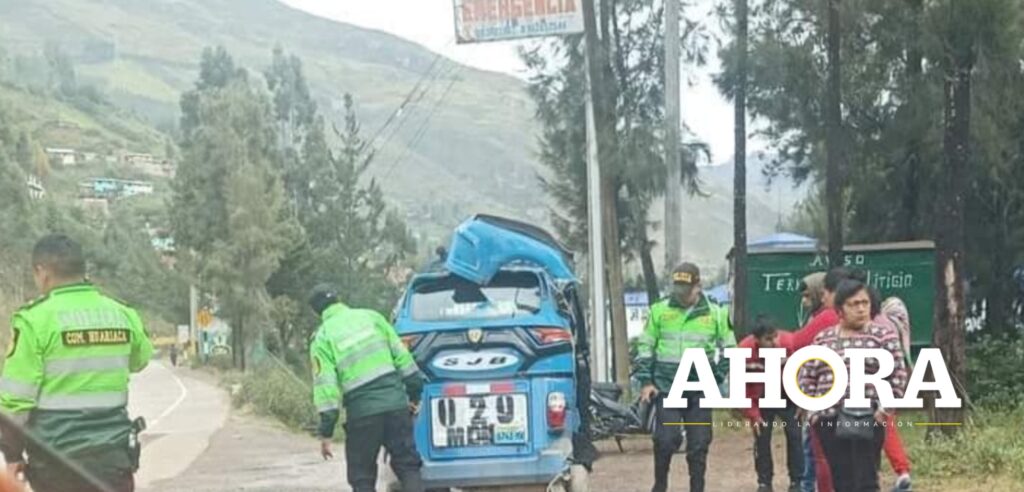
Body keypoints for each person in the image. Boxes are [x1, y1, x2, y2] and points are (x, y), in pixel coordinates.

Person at [0, 234, 153, 492]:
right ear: (83, 270)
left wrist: (13, 456)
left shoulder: (34, 320)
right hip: (113, 460)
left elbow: (15, 402)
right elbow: (140, 360)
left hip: (56, 464)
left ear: (42, 272)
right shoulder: (122, 314)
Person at [308, 284, 425, 492]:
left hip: (362, 416)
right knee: (408, 466)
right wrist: (414, 396)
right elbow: (406, 363)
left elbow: (327, 391)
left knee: (362, 477)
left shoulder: (323, 337)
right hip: (396, 407)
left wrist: (326, 433)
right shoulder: (372, 317)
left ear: (317, 312)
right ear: (339, 299)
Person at [799, 278, 909, 492]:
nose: (860, 309)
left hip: (869, 417)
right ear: (840, 309)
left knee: (866, 479)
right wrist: (813, 412)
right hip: (829, 419)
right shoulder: (824, 339)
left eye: (864, 303)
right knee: (841, 479)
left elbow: (897, 375)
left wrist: (885, 409)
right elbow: (807, 376)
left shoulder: (883, 336)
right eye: (853, 304)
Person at [635, 262, 737, 492]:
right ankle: (660, 484)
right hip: (668, 386)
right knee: (666, 439)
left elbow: (731, 349)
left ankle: (697, 487)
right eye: (677, 290)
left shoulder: (716, 313)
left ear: (698, 286)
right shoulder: (660, 311)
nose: (680, 296)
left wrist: (717, 376)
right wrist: (646, 381)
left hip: (700, 388)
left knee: (699, 444)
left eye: (686, 290)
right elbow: (645, 346)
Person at [739, 316, 803, 492]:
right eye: (768, 339)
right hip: (760, 395)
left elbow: (804, 372)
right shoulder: (744, 350)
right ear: (756, 339)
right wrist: (753, 414)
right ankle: (764, 482)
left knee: (795, 435)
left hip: (787, 393)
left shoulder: (789, 343)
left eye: (775, 336)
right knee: (762, 437)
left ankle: (797, 481)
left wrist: (803, 401)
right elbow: (740, 388)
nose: (774, 342)